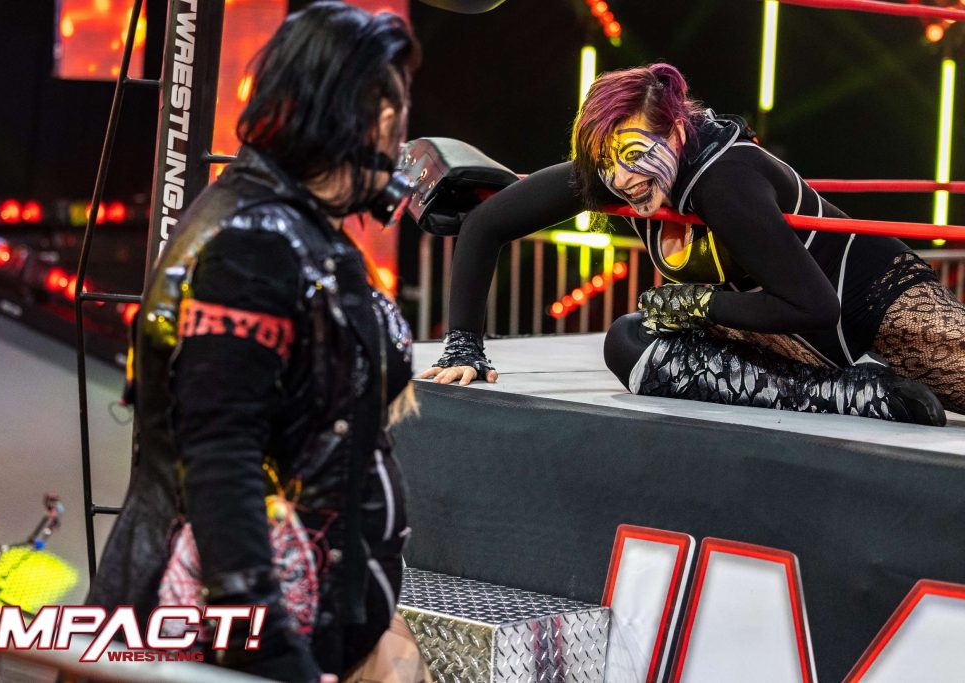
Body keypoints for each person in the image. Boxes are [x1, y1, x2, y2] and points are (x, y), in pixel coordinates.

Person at [88, 4, 422, 681]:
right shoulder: (253, 244)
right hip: (242, 635)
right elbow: (221, 460)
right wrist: (269, 646)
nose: (400, 138)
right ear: (363, 119)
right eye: (394, 114)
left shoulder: (288, 223)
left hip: (317, 614)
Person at [422, 63, 964, 426]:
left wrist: (697, 304)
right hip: (785, 330)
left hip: (873, 299)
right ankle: (844, 394)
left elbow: (815, 305)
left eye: (635, 153)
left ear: (677, 132)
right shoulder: (615, 175)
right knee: (628, 342)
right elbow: (486, 224)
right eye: (606, 161)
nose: (623, 178)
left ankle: (853, 384)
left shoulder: (725, 181)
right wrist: (464, 345)